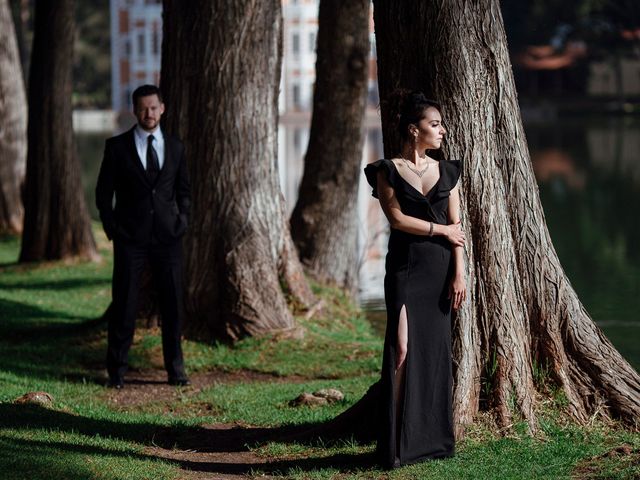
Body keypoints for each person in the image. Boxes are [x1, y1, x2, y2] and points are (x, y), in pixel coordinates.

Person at [364, 91, 466, 468]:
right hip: (405, 269)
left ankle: (431, 441)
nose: (441, 130)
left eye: (440, 124)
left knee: (434, 354)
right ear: (414, 129)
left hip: (441, 272)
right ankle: (393, 444)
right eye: (434, 124)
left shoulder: (448, 171)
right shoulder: (386, 170)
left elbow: (458, 229)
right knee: (402, 349)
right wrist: (440, 232)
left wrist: (460, 272)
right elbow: (397, 220)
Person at [96, 84, 191, 389]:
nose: (148, 113)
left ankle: (176, 370)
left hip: (168, 239)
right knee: (124, 304)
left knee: (172, 306)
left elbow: (183, 191)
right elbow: (102, 194)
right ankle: (117, 371)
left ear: (162, 108)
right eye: (142, 108)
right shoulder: (117, 147)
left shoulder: (176, 147)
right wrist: (113, 229)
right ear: (134, 111)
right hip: (130, 240)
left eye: (153, 107)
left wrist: (182, 221)